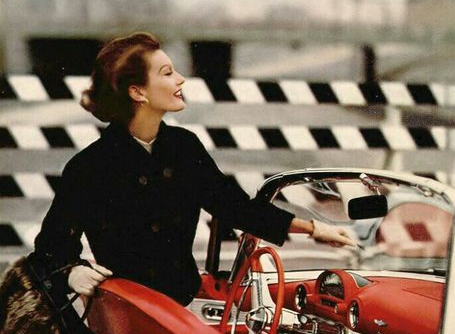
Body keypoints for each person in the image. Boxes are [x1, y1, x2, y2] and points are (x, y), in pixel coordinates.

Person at [33, 32, 355, 306]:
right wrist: (73, 271)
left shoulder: (183, 146)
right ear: (138, 92)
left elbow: (234, 207)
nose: (180, 79)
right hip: (127, 310)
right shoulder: (90, 166)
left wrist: (315, 229)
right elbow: (52, 246)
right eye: (167, 73)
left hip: (184, 303)